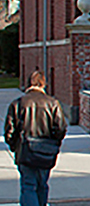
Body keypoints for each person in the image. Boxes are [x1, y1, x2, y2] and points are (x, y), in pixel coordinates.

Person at [4, 70, 68, 206]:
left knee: (28, 185)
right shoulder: (53, 103)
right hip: (46, 149)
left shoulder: (18, 104)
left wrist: (15, 146)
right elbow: (60, 128)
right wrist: (54, 143)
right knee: (42, 184)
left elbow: (10, 131)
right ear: (43, 84)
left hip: (25, 149)